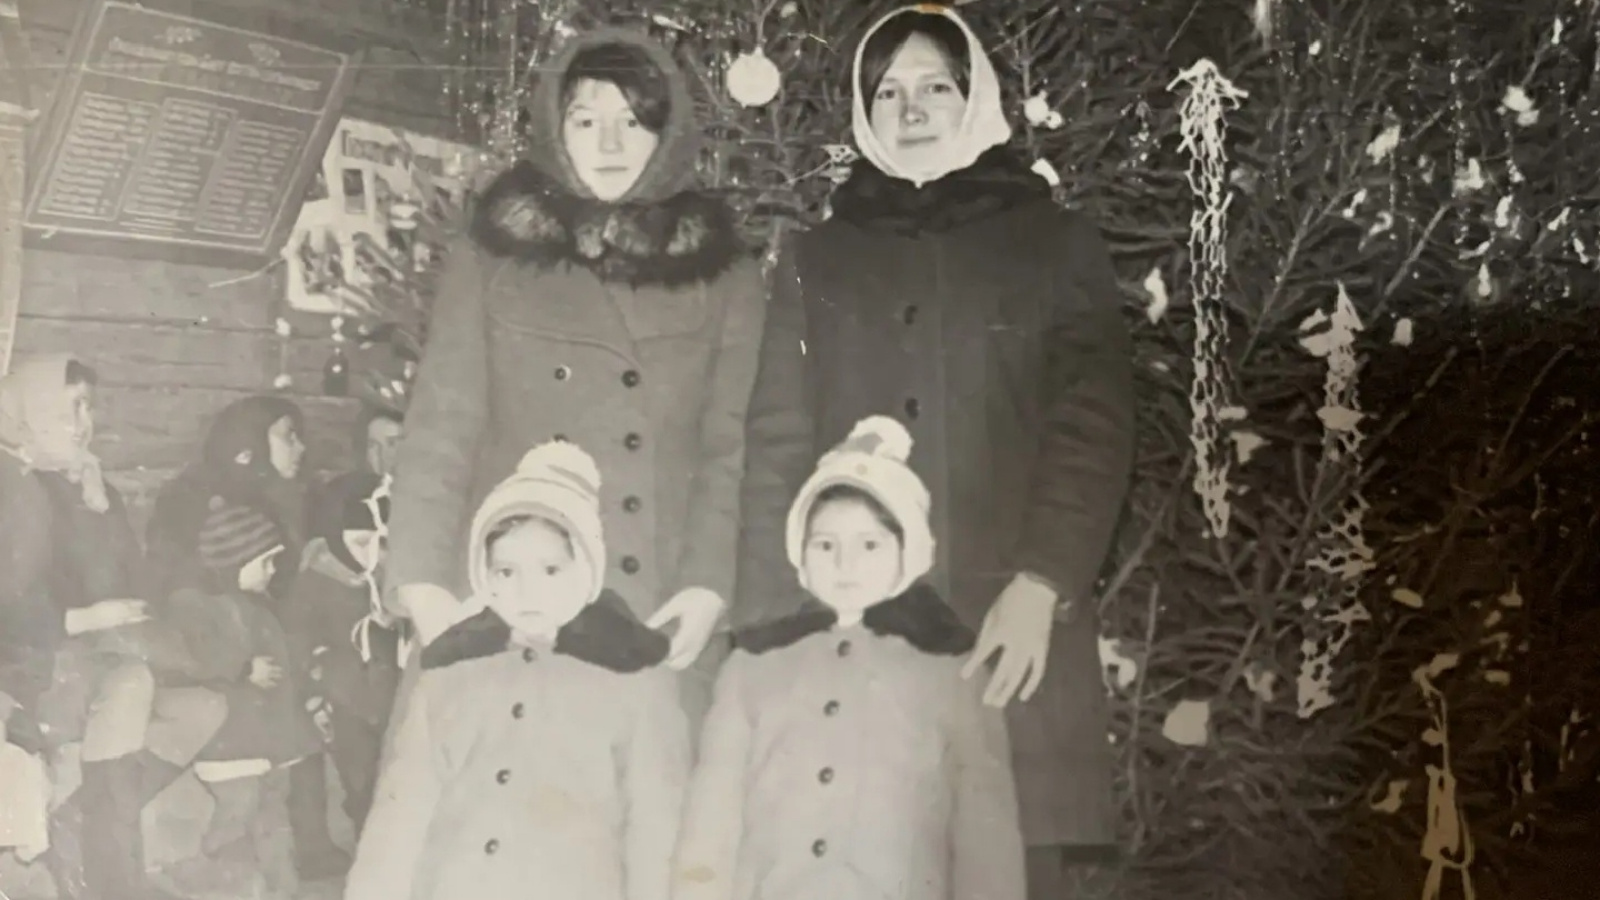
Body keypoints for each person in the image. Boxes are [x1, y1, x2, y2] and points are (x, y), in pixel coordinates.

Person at [736, 6, 1136, 897]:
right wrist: (778, 626)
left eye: (935, 88)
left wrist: (1043, 584)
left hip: (1011, 626)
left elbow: (1094, 424)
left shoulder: (1055, 244)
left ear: (976, 98)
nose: (911, 109)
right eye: (888, 92)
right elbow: (775, 441)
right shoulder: (817, 259)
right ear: (863, 111)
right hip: (858, 631)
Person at [382, 27, 761, 726]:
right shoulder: (491, 257)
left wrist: (710, 587)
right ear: (556, 130)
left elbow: (728, 449)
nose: (610, 143)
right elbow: (440, 430)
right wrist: (424, 589)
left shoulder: (724, 274)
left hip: (657, 601)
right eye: (587, 121)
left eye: (632, 122)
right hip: (505, 593)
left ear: (667, 133)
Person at [674, 417, 1025, 900]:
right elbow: (709, 825)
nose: (845, 564)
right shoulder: (751, 668)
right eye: (825, 545)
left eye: (870, 545)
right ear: (799, 552)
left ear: (908, 551)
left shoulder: (952, 670)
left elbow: (986, 839)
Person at [346, 441, 689, 900]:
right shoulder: (451, 675)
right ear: (484, 576)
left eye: (550, 570)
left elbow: (657, 831)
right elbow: (401, 815)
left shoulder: (636, 679)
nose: (528, 591)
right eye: (506, 572)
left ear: (586, 569)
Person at [0, 355, 226, 900]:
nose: (85, 423)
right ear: (31, 412)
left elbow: (132, 579)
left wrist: (99, 511)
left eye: (88, 407)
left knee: (204, 707)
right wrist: (88, 619)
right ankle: (114, 880)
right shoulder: (13, 487)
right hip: (31, 665)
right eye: (69, 408)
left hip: (93, 654)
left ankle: (72, 816)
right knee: (131, 683)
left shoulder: (91, 486)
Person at [146, 395, 351, 882]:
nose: (300, 447)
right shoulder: (193, 500)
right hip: (225, 653)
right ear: (248, 447)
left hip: (269, 637)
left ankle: (304, 848)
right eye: (287, 435)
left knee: (300, 730)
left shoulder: (286, 495)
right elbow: (181, 589)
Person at [162, 500, 326, 897]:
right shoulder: (195, 605)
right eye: (265, 562)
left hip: (270, 742)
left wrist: (308, 689)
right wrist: (241, 667)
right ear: (235, 560)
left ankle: (282, 890)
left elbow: (285, 664)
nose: (272, 571)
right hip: (232, 744)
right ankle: (224, 886)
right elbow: (193, 656)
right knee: (236, 819)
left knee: (274, 819)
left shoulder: (260, 608)